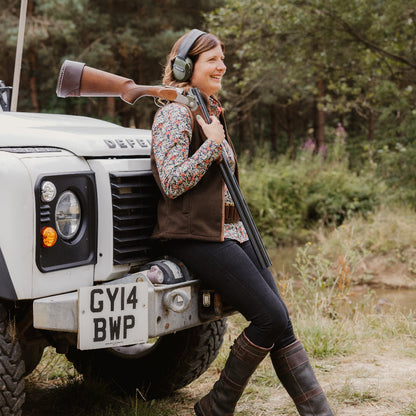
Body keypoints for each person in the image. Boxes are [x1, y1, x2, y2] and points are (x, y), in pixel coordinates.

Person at [151, 28, 335, 416]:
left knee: (280, 320)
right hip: (195, 235)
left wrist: (215, 139)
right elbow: (170, 181)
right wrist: (213, 147)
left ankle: (320, 413)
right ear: (186, 66)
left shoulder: (208, 110)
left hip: (230, 231)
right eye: (213, 59)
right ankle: (216, 407)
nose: (223, 65)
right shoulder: (174, 113)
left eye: (223, 58)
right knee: (268, 317)